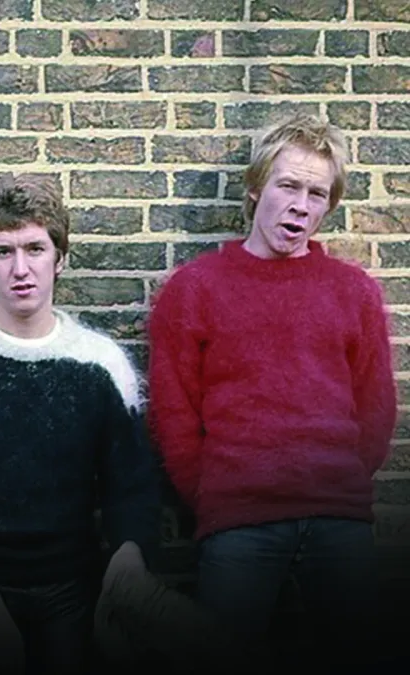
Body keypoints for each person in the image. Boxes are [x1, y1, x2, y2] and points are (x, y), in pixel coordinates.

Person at [147, 114, 397, 673]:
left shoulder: (353, 291)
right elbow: (173, 409)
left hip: (337, 516)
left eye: (316, 194)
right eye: (288, 186)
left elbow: (376, 407)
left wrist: (336, 476)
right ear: (257, 187)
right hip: (239, 519)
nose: (300, 206)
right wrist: (213, 490)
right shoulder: (196, 289)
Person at [0, 174, 161, 674]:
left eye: (35, 249)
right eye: (4, 252)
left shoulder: (102, 364)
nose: (21, 270)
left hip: (72, 587)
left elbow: (132, 489)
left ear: (60, 258)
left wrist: (128, 559)